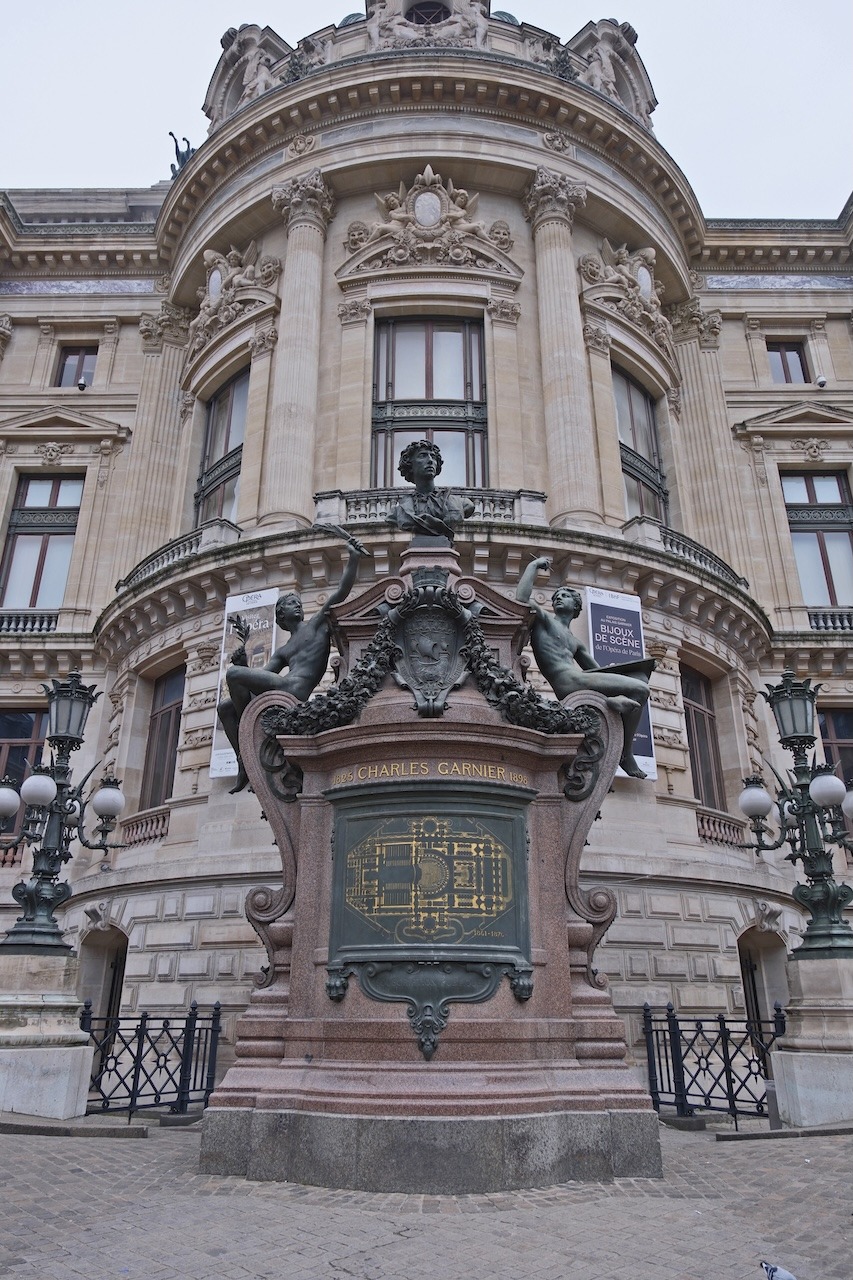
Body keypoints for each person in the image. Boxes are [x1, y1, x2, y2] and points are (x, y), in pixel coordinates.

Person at [217, 535, 368, 791]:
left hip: (295, 689)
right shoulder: (284, 650)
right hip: (282, 686)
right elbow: (258, 682)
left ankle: (252, 734)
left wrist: (353, 558)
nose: (296, 606)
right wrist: (244, 665)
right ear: (281, 616)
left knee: (234, 675)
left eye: (297, 603)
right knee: (225, 708)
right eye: (289, 604)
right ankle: (245, 758)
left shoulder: (318, 624)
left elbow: (341, 591)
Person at [515, 556, 653, 778]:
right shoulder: (544, 620)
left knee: (639, 683)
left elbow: (599, 674)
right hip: (568, 682)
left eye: (566, 596)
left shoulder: (575, 642)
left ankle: (611, 705)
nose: (559, 598)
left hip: (579, 680)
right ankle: (625, 754)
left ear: (576, 606)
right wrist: (532, 566)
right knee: (640, 690)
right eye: (557, 596)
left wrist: (634, 671)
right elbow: (521, 600)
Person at [387, 440, 474, 543]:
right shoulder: (398, 511)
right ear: (410, 464)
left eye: (433, 457)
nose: (430, 460)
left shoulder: (458, 503)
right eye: (422, 456)